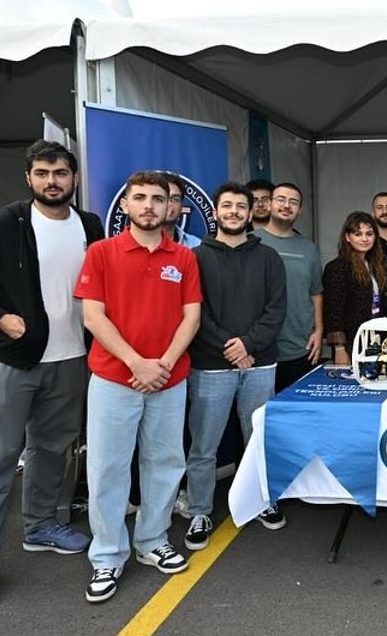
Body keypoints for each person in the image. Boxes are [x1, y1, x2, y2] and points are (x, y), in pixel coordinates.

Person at [0, 140, 104, 613]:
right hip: (12, 360)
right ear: (28, 178)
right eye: (42, 173)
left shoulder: (90, 225)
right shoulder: (3, 222)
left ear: (74, 178)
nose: (52, 181)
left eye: (60, 172)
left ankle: (40, 526)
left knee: (52, 450)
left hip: (71, 359)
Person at [75, 170, 202, 604]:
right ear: (126, 204)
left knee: (164, 462)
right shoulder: (101, 252)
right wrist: (136, 362)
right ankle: (108, 556)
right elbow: (93, 316)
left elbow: (191, 317)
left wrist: (161, 365)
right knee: (108, 468)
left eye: (158, 199)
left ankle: (152, 540)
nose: (149, 205)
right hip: (115, 378)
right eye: (141, 197)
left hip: (168, 379)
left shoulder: (183, 257)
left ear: (171, 207)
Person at [185, 181, 288, 548]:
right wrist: (232, 348)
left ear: (251, 212)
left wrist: (248, 344)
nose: (233, 212)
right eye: (227, 206)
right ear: (215, 212)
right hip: (211, 366)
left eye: (240, 206)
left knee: (257, 439)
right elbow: (195, 312)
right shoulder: (195, 258)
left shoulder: (269, 258)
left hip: (260, 365)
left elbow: (276, 310)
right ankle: (199, 510)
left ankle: (260, 500)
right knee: (204, 445)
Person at [255, 182, 324, 390]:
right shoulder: (251, 242)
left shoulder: (309, 248)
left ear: (299, 210)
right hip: (258, 349)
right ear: (269, 204)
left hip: (300, 348)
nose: (287, 205)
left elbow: (316, 293)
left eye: (293, 202)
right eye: (281, 199)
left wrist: (319, 330)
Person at [324, 212, 387, 362]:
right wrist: (339, 349)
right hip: (350, 343)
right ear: (347, 237)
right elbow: (333, 311)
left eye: (369, 234)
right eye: (358, 234)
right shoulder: (338, 267)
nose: (364, 239)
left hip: (374, 338)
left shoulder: (376, 266)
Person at [161, 171, 203, 248]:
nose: (169, 204)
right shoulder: (138, 243)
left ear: (181, 205)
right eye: (163, 198)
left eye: (175, 199)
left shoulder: (196, 245)